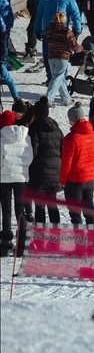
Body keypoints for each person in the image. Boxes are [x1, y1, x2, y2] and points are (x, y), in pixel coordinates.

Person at [58, 100, 94, 225]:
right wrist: (92, 172)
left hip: (74, 181)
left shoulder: (70, 138)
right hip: (90, 179)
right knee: (89, 212)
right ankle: (93, 239)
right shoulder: (93, 135)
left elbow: (66, 163)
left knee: (75, 215)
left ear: (72, 119)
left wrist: (62, 182)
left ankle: (80, 241)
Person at [25, 97, 63, 224]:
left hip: (39, 173)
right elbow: (63, 150)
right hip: (55, 172)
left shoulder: (34, 129)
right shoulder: (57, 129)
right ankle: (55, 233)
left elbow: (33, 153)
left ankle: (40, 236)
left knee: (40, 206)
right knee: (52, 205)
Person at [0, 109, 32, 258]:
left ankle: (5, 245)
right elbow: (30, 157)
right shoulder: (26, 136)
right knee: (20, 211)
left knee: (6, 211)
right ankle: (21, 244)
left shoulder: (1, 137)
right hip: (21, 178)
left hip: (4, 179)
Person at [43, 10, 79, 106]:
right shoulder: (66, 31)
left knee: (60, 78)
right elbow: (73, 44)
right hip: (62, 57)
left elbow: (48, 41)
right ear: (64, 19)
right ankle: (48, 100)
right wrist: (80, 48)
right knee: (56, 78)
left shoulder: (49, 30)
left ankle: (66, 99)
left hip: (51, 56)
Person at [0, 0, 18, 100]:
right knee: (2, 53)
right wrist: (2, 27)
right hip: (2, 29)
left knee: (5, 51)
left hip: (6, 28)